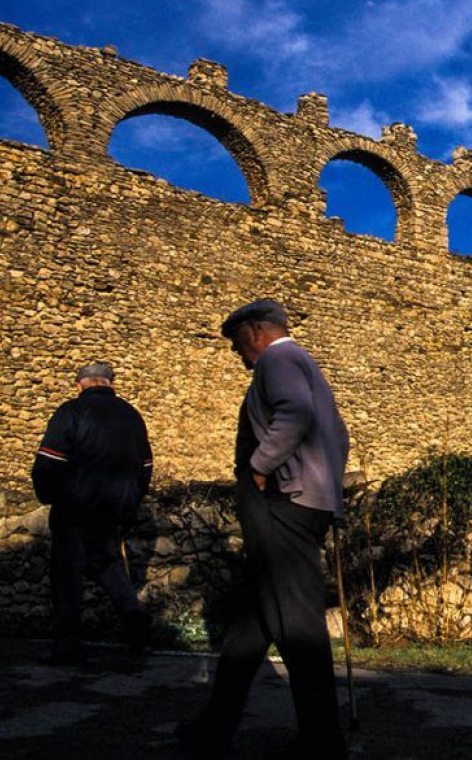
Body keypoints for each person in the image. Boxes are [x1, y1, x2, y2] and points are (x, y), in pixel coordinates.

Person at [180, 299, 349, 759]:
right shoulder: (308, 366)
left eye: (237, 342)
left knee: (297, 626)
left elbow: (294, 414)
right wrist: (327, 491)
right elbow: (340, 434)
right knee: (251, 623)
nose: (237, 353)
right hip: (305, 503)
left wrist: (260, 465)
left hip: (281, 506)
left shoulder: (278, 360)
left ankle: (322, 741)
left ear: (255, 331)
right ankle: (214, 727)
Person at [31, 361, 154, 665]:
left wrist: (49, 495)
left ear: (80, 385)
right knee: (106, 563)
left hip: (75, 506)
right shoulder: (132, 416)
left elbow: (49, 460)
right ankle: (133, 617)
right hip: (115, 508)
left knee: (67, 574)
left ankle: (68, 644)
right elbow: (146, 467)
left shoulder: (71, 412)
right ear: (111, 383)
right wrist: (131, 502)